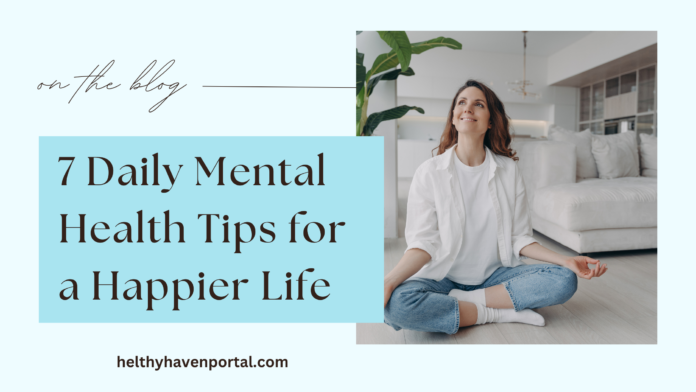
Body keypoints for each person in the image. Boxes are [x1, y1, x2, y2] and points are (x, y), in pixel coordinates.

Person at [383, 80, 608, 335]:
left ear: (490, 121)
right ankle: (497, 310)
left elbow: (519, 238)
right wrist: (389, 281)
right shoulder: (429, 172)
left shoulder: (508, 170)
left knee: (564, 279)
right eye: (461, 103)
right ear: (454, 119)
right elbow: (423, 244)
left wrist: (566, 259)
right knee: (397, 305)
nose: (468, 109)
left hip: (495, 277)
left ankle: (469, 305)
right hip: (442, 279)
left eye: (478, 104)